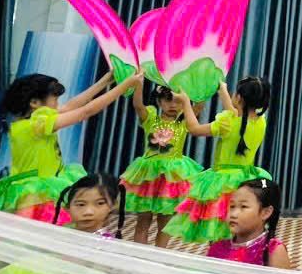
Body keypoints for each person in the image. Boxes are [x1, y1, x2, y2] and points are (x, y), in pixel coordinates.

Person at [0, 70, 141, 223]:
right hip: (36, 192)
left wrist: (105, 81)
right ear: (34, 102)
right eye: (54, 99)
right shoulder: (37, 124)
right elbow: (85, 112)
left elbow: (71, 106)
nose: (57, 103)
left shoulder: (29, 122)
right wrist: (124, 86)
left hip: (39, 186)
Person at [164, 76, 272, 244]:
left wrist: (186, 102)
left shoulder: (227, 121)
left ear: (239, 98)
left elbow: (194, 129)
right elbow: (237, 116)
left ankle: (218, 255)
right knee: (236, 232)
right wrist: (223, 91)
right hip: (246, 179)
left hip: (221, 182)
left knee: (218, 230)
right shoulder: (261, 121)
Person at [121, 83, 203, 247]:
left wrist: (199, 83)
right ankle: (138, 255)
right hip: (148, 177)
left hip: (171, 178)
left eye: (177, 101)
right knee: (143, 220)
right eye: (167, 100)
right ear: (159, 101)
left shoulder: (184, 121)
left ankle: (160, 254)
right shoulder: (151, 119)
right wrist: (139, 84)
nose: (173, 105)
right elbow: (138, 105)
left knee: (165, 222)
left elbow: (200, 105)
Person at [205, 177, 291, 267]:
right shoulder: (217, 247)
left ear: (266, 212)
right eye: (232, 206)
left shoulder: (273, 251)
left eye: (243, 206)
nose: (233, 214)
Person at [53, 172, 126, 239]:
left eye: (100, 203)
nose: (88, 212)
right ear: (67, 208)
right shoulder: (58, 236)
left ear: (112, 205)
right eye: (81, 204)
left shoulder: (109, 243)